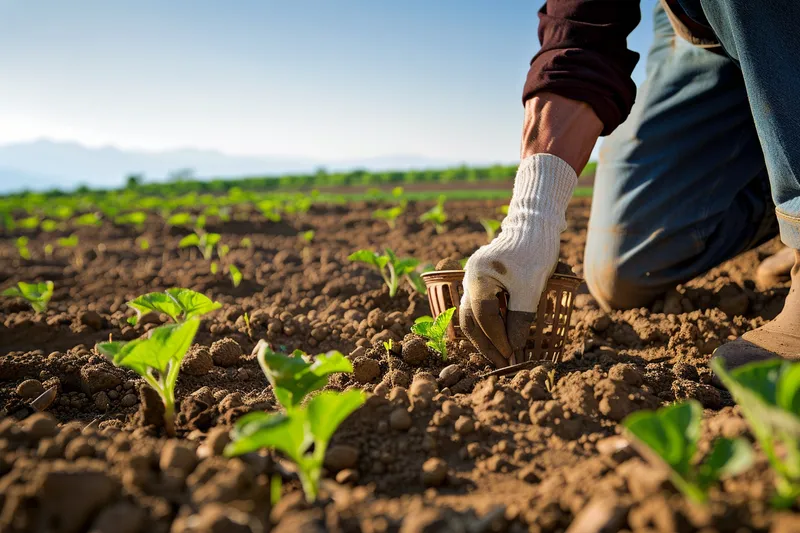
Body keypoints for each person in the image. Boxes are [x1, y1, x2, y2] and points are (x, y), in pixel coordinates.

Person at [460, 0, 800, 371]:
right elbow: (581, 31)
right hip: (699, 24)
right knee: (627, 268)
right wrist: (531, 218)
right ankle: (783, 205)